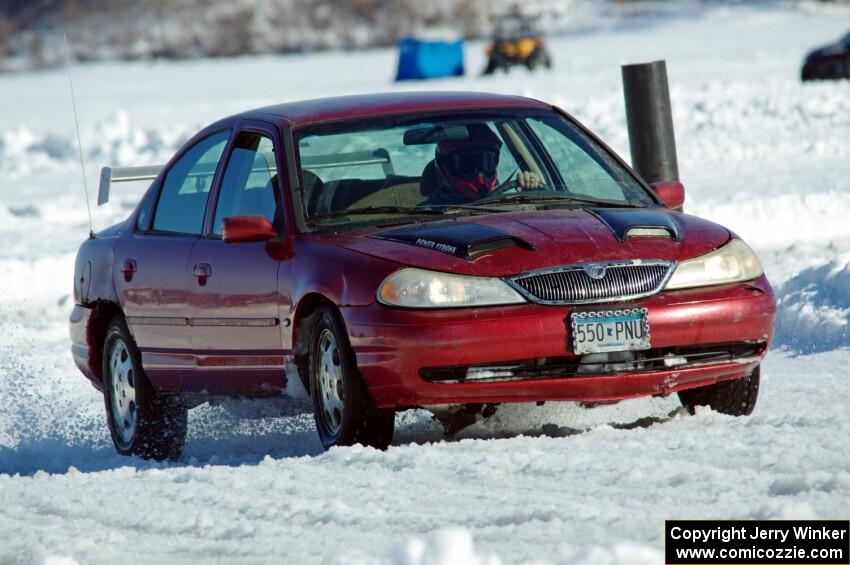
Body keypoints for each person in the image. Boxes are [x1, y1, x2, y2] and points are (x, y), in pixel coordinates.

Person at [423, 123, 543, 205]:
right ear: (443, 170)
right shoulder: (425, 217)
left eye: (487, 162)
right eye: (467, 165)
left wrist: (531, 195)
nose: (480, 176)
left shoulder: (507, 201)